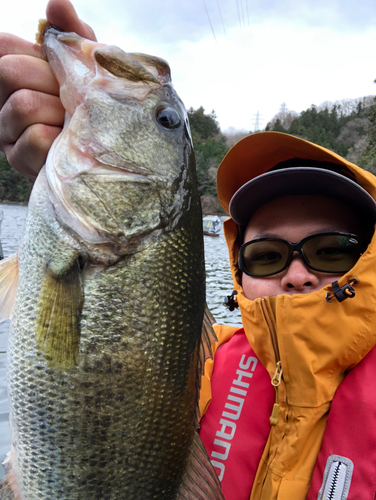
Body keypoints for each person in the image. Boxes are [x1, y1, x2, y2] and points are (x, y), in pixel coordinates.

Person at [1, 2, 376, 499]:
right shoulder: (201, 372)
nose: (298, 274)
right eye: (266, 256)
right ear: (238, 271)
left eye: (331, 251)